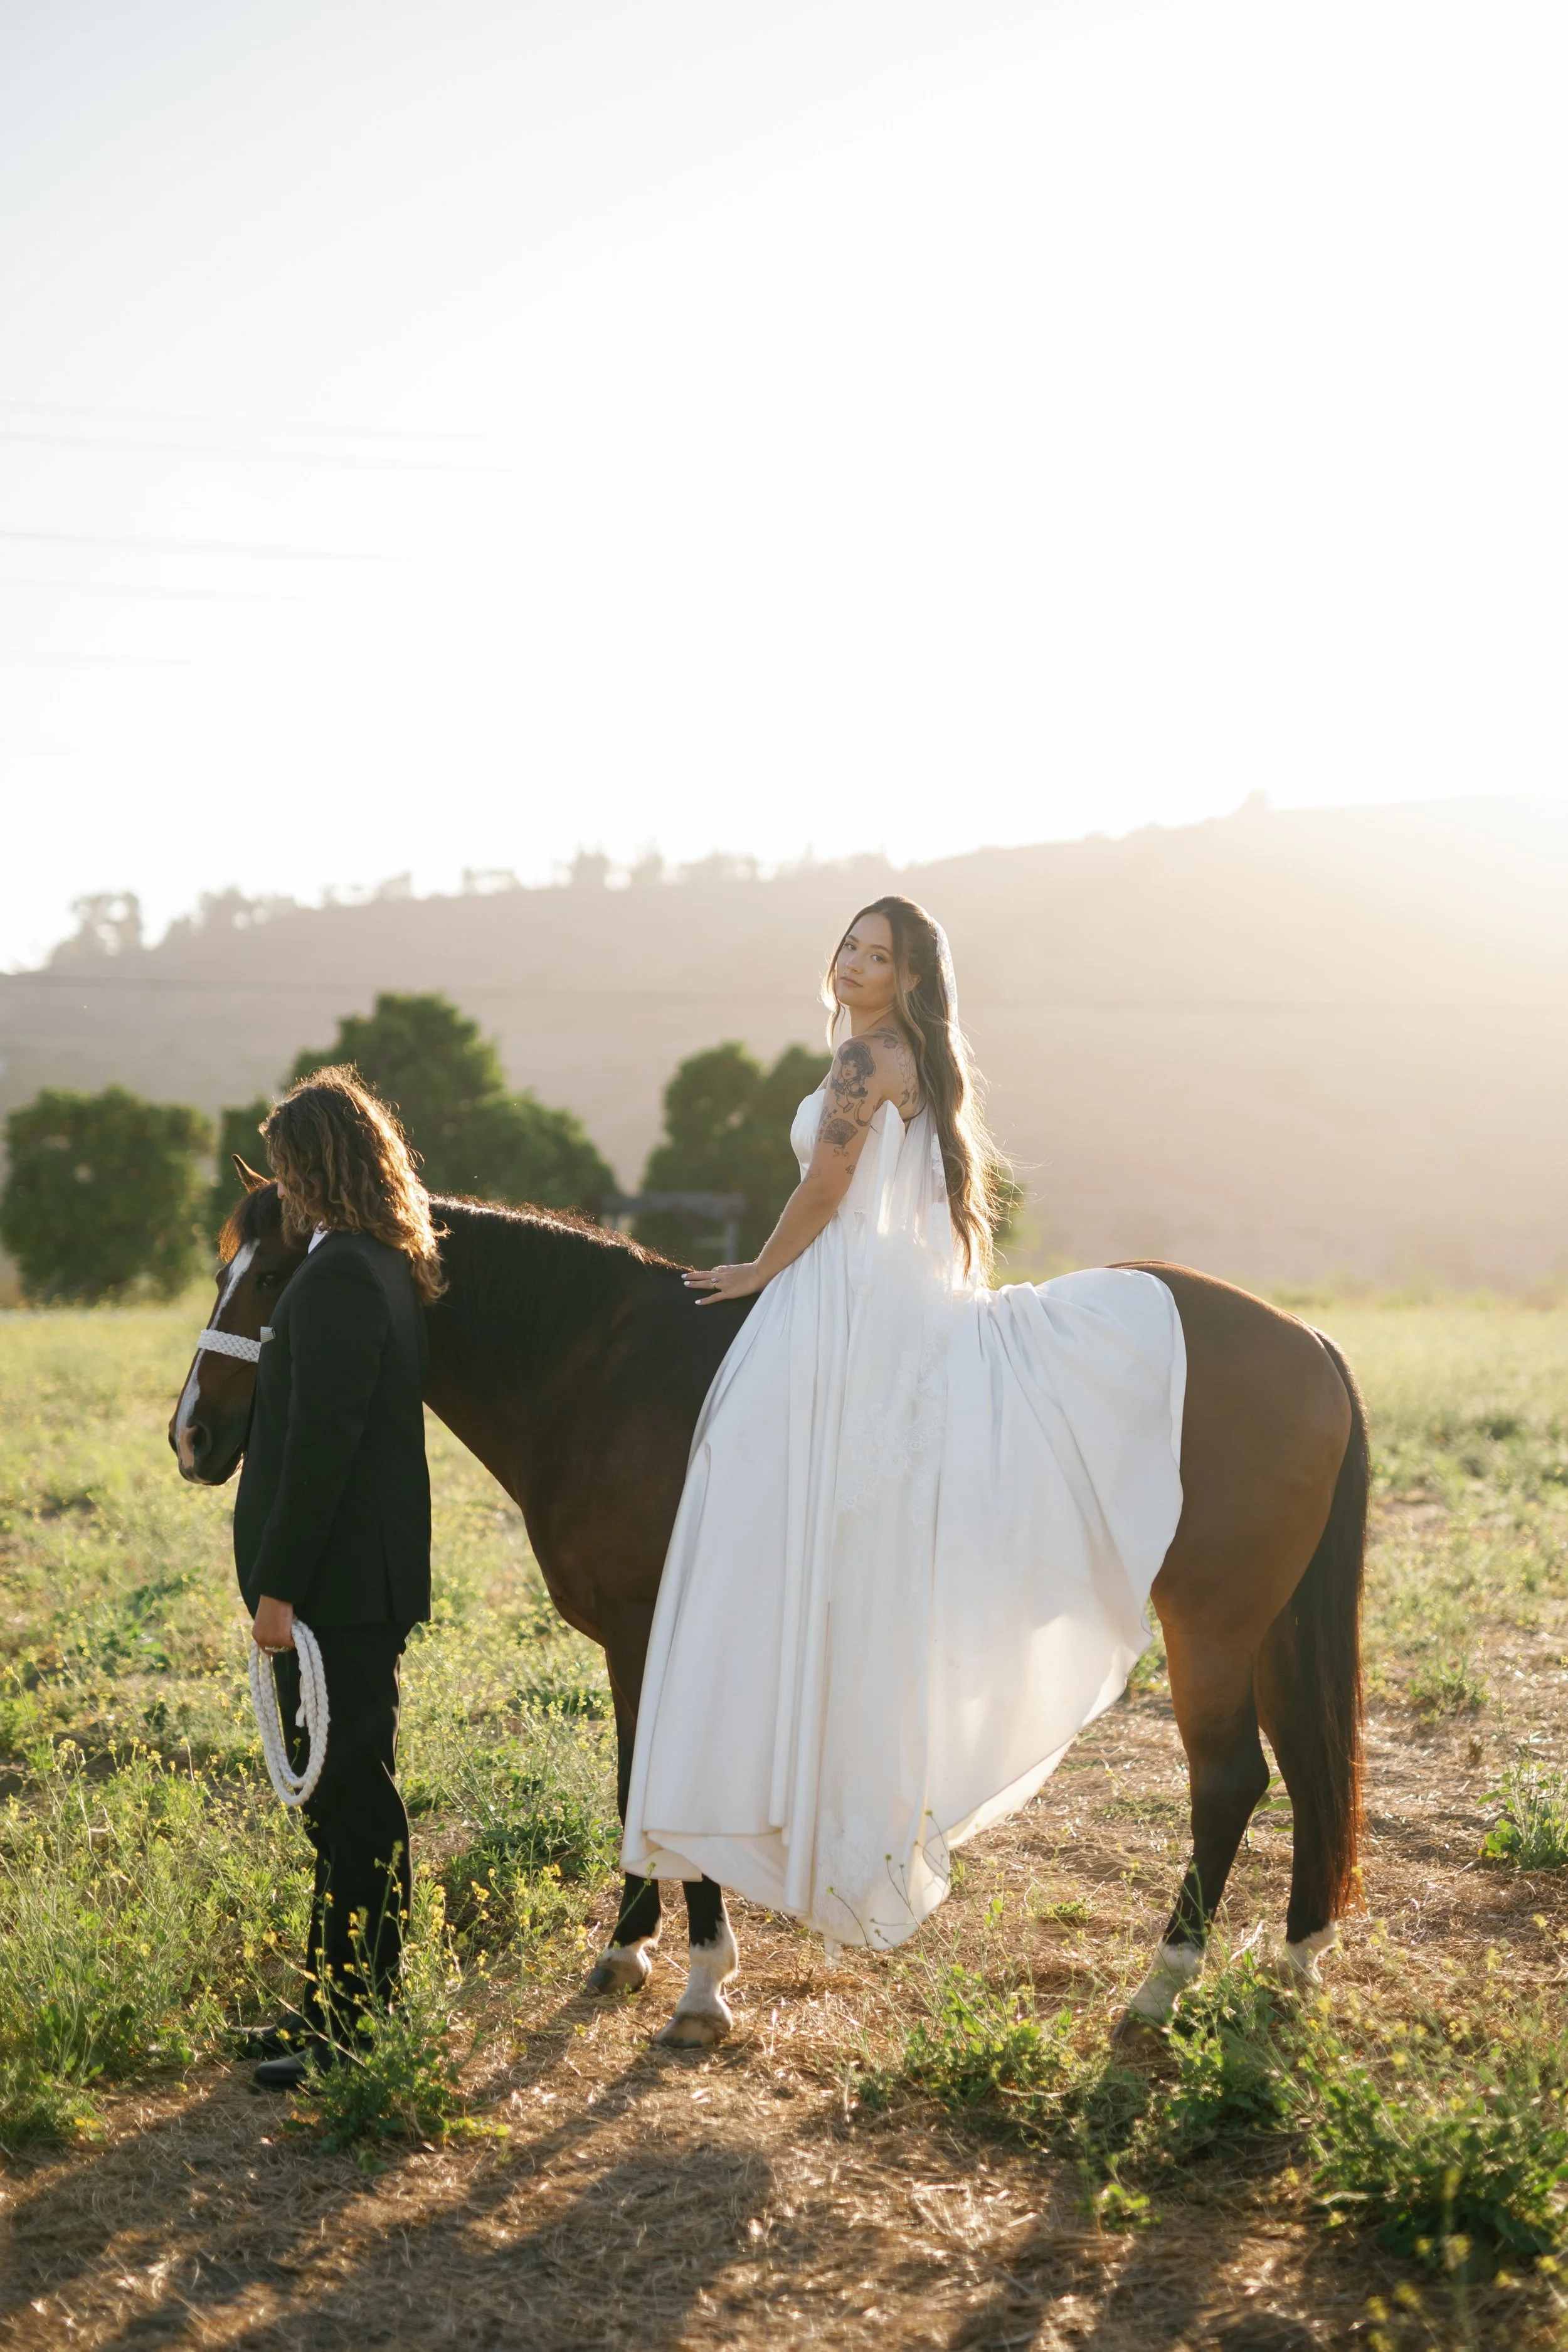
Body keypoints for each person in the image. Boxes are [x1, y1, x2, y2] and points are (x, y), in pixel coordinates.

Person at [622, 896, 1187, 1951]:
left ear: (912, 976)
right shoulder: (919, 1062)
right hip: (891, 1297)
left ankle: (748, 1767)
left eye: (877, 956)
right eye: (848, 945)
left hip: (837, 1303)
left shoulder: (856, 1066)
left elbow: (830, 1184)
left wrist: (755, 1269)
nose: (853, 964)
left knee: (743, 1481)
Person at [235, 1067, 440, 2089]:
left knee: (354, 1799)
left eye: (283, 1165)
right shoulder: (373, 1265)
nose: (278, 1184)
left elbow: (324, 1447)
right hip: (350, 1579)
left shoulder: (347, 1276)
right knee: (338, 1802)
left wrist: (277, 1588)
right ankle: (329, 2005)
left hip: (340, 1588)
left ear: (312, 1165)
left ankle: (356, 2026)